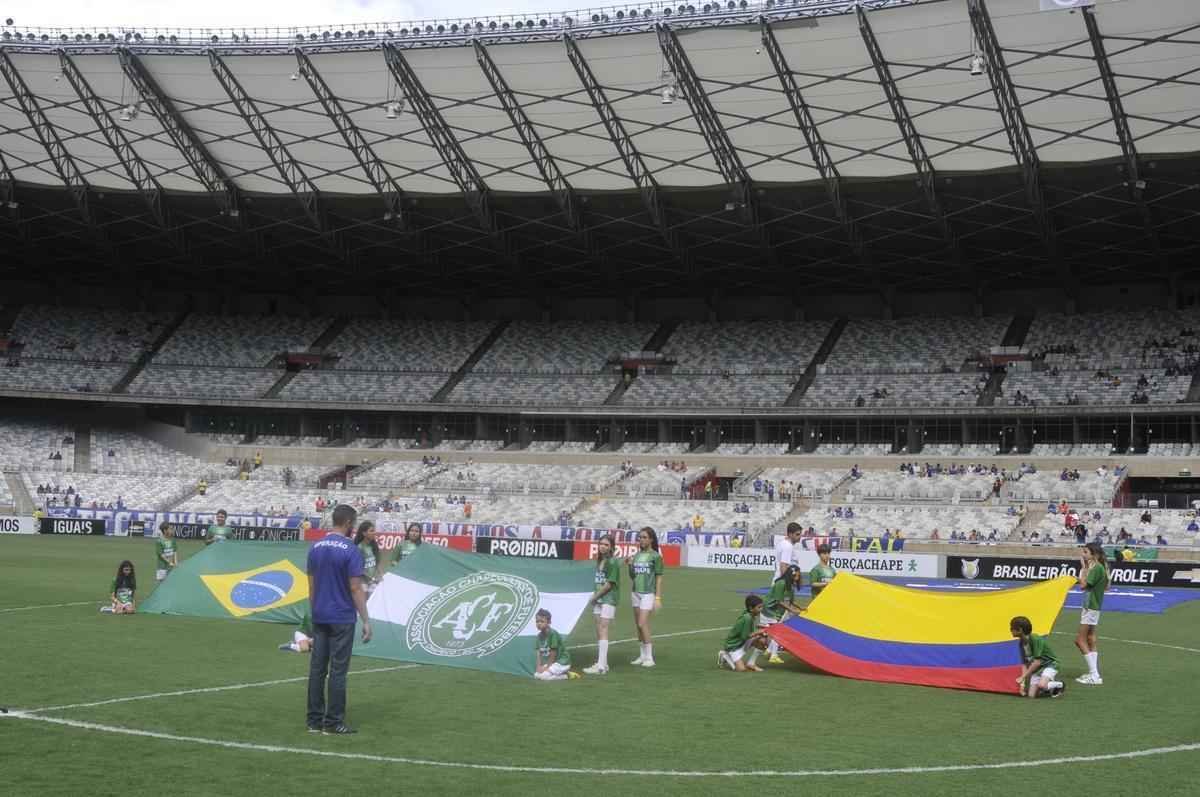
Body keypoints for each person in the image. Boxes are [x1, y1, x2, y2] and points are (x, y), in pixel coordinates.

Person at [306, 504, 371, 735]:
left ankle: (314, 720)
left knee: (317, 669)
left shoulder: (315, 547)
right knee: (338, 671)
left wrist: (315, 611)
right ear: (349, 523)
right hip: (341, 616)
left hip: (320, 614)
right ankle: (332, 722)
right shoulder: (351, 550)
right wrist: (366, 619)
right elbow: (355, 588)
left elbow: (311, 586)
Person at [583, 534, 620, 675]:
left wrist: (595, 597)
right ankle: (602, 663)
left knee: (603, 628)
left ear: (611, 547)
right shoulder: (600, 560)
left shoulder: (612, 562)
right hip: (599, 599)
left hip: (608, 599)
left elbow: (609, 584)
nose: (603, 547)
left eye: (606, 545)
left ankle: (601, 667)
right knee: (599, 629)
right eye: (601, 544)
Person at [626, 527, 664, 668]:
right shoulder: (636, 555)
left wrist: (658, 597)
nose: (641, 540)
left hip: (648, 593)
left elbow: (659, 577)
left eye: (644, 537)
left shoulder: (656, 556)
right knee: (638, 626)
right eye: (640, 537)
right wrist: (630, 566)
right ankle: (642, 656)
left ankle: (649, 657)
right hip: (635, 592)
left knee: (642, 623)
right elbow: (633, 576)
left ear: (651, 539)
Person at [1075, 541, 1109, 686]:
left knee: (1079, 640)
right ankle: (1094, 674)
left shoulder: (1096, 568)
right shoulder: (1099, 567)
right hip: (1093, 607)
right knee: (1090, 637)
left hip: (1091, 607)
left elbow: (1083, 586)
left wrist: (1083, 569)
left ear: (1093, 554)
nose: (1083, 554)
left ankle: (1094, 674)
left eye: (1085, 552)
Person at [1011, 615, 1064, 698]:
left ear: (1020, 630)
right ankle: (1047, 686)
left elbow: (1037, 662)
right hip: (1038, 669)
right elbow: (1024, 664)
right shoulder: (1021, 643)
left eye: (1012, 628)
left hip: (1050, 664)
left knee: (1042, 685)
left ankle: (1060, 684)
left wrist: (1023, 677)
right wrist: (1022, 685)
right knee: (1031, 695)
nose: (1010, 630)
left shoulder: (1035, 639)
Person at [762, 565, 805, 664]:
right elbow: (779, 601)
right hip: (770, 611)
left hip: (778, 611)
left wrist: (799, 607)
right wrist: (792, 610)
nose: (797, 578)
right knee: (778, 632)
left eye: (798, 576)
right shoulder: (781, 583)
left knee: (779, 630)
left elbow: (790, 601)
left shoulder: (791, 586)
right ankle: (773, 655)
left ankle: (769, 651)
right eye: (796, 576)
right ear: (791, 575)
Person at [717, 595, 769, 672]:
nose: (761, 609)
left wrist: (759, 630)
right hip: (733, 646)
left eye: (761, 607)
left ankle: (751, 664)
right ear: (751, 608)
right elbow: (744, 637)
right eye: (759, 607)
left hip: (741, 642)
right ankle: (724, 655)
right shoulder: (747, 618)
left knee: (762, 640)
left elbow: (747, 632)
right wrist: (759, 632)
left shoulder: (750, 614)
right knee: (741, 669)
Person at [534, 609, 580, 681]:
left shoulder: (553, 634)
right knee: (536, 675)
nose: (539, 624)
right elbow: (538, 653)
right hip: (553, 663)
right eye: (537, 621)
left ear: (549, 622)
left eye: (542, 621)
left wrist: (547, 667)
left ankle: (567, 675)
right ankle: (560, 673)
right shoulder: (539, 636)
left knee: (544, 677)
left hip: (562, 662)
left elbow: (553, 653)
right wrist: (538, 667)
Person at [354, 520, 381, 593]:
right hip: (363, 582)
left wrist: (379, 575)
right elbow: (357, 568)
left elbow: (377, 563)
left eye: (374, 530)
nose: (374, 533)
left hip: (373, 581)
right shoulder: (359, 547)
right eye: (371, 531)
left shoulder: (374, 546)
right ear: (364, 533)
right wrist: (371, 579)